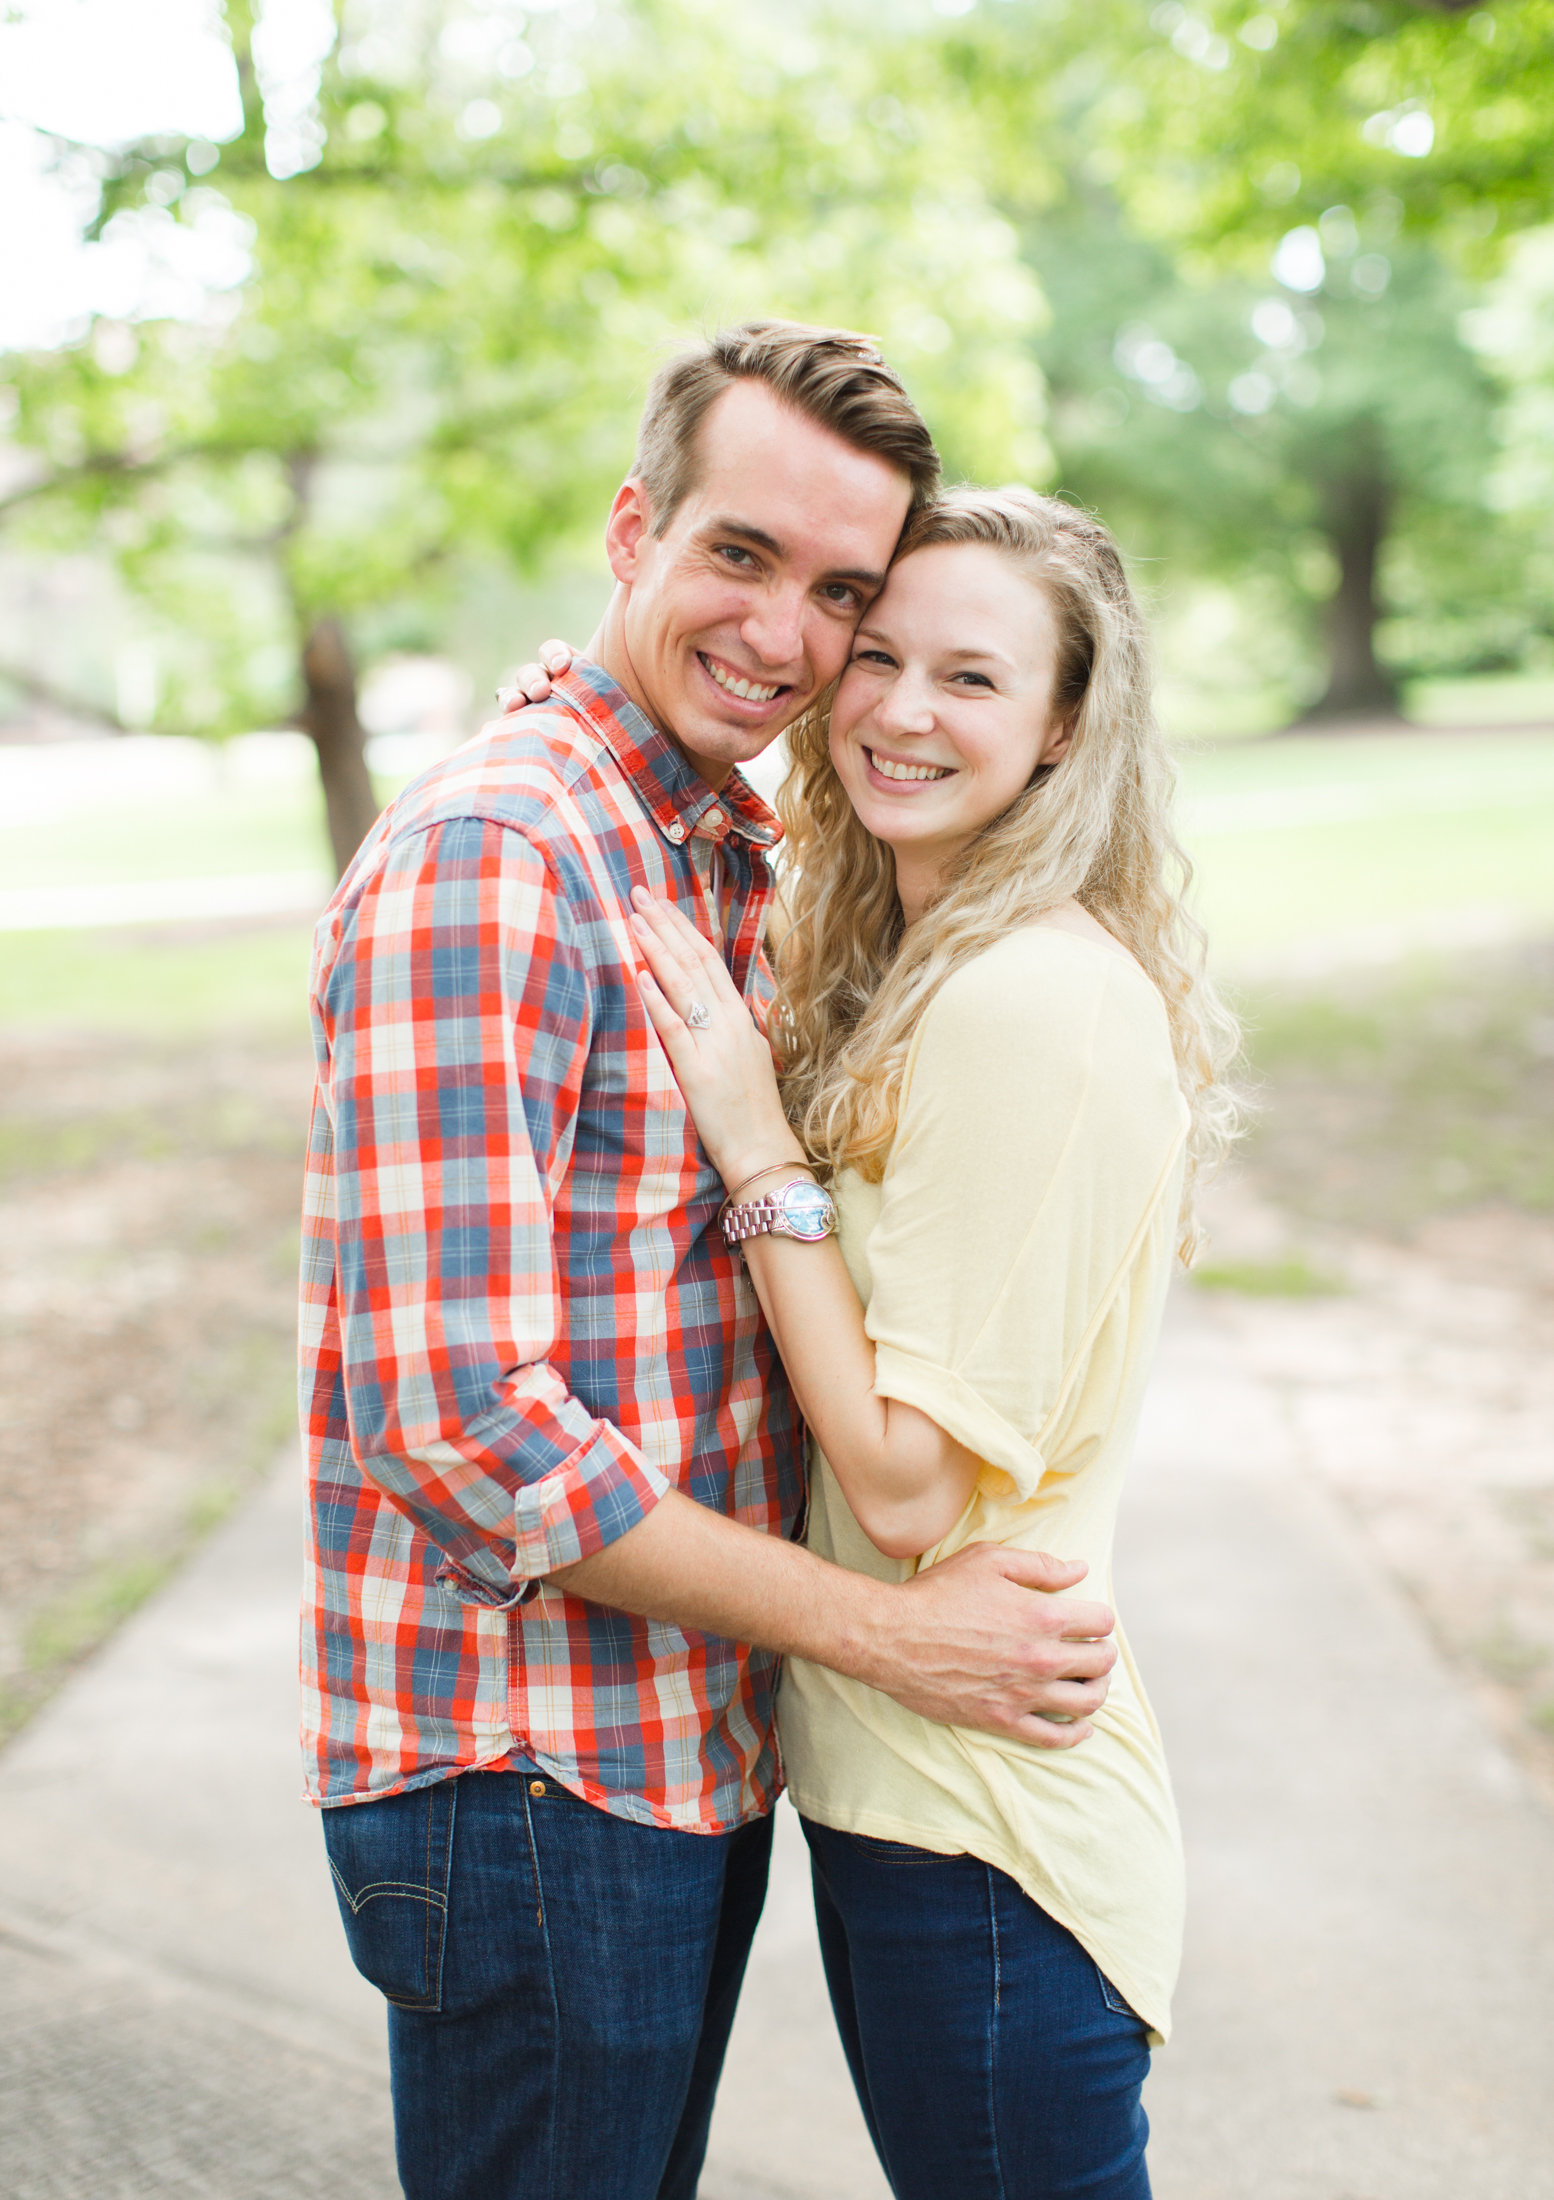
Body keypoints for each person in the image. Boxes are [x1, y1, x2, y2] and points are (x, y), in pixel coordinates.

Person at [299, 327, 1121, 2200]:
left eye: (843, 590)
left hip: (666, 1740)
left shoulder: (704, 843)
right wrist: (895, 1636)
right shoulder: (501, 856)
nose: (785, 634)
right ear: (630, 528)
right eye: (738, 556)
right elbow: (456, 1426)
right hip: (530, 1775)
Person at [600, 483, 1240, 2198]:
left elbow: (900, 1485)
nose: (895, 708)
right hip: (906, 1789)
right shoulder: (927, 964)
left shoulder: (1028, 999)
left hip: (988, 1822)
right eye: (876, 655)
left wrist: (756, 1147)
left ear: (1061, 728)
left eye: (970, 677)